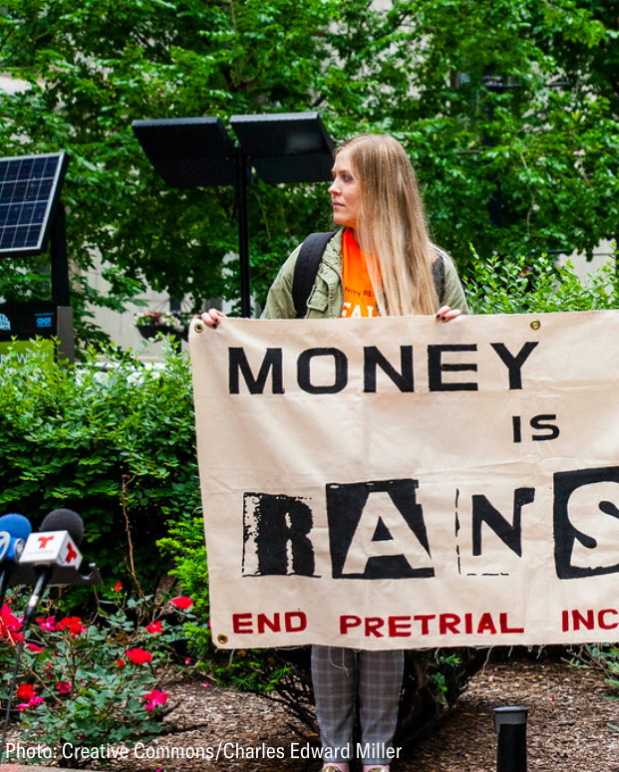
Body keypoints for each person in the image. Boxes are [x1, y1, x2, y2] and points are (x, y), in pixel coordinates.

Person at [202, 133, 468, 772]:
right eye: (334, 176)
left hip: (400, 465)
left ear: (379, 186)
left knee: (384, 611)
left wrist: (462, 334)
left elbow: (471, 379)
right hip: (319, 460)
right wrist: (222, 336)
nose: (333, 188)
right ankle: (333, 755)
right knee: (328, 604)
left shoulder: (433, 269)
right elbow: (265, 343)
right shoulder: (310, 259)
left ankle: (373, 756)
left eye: (346, 178)